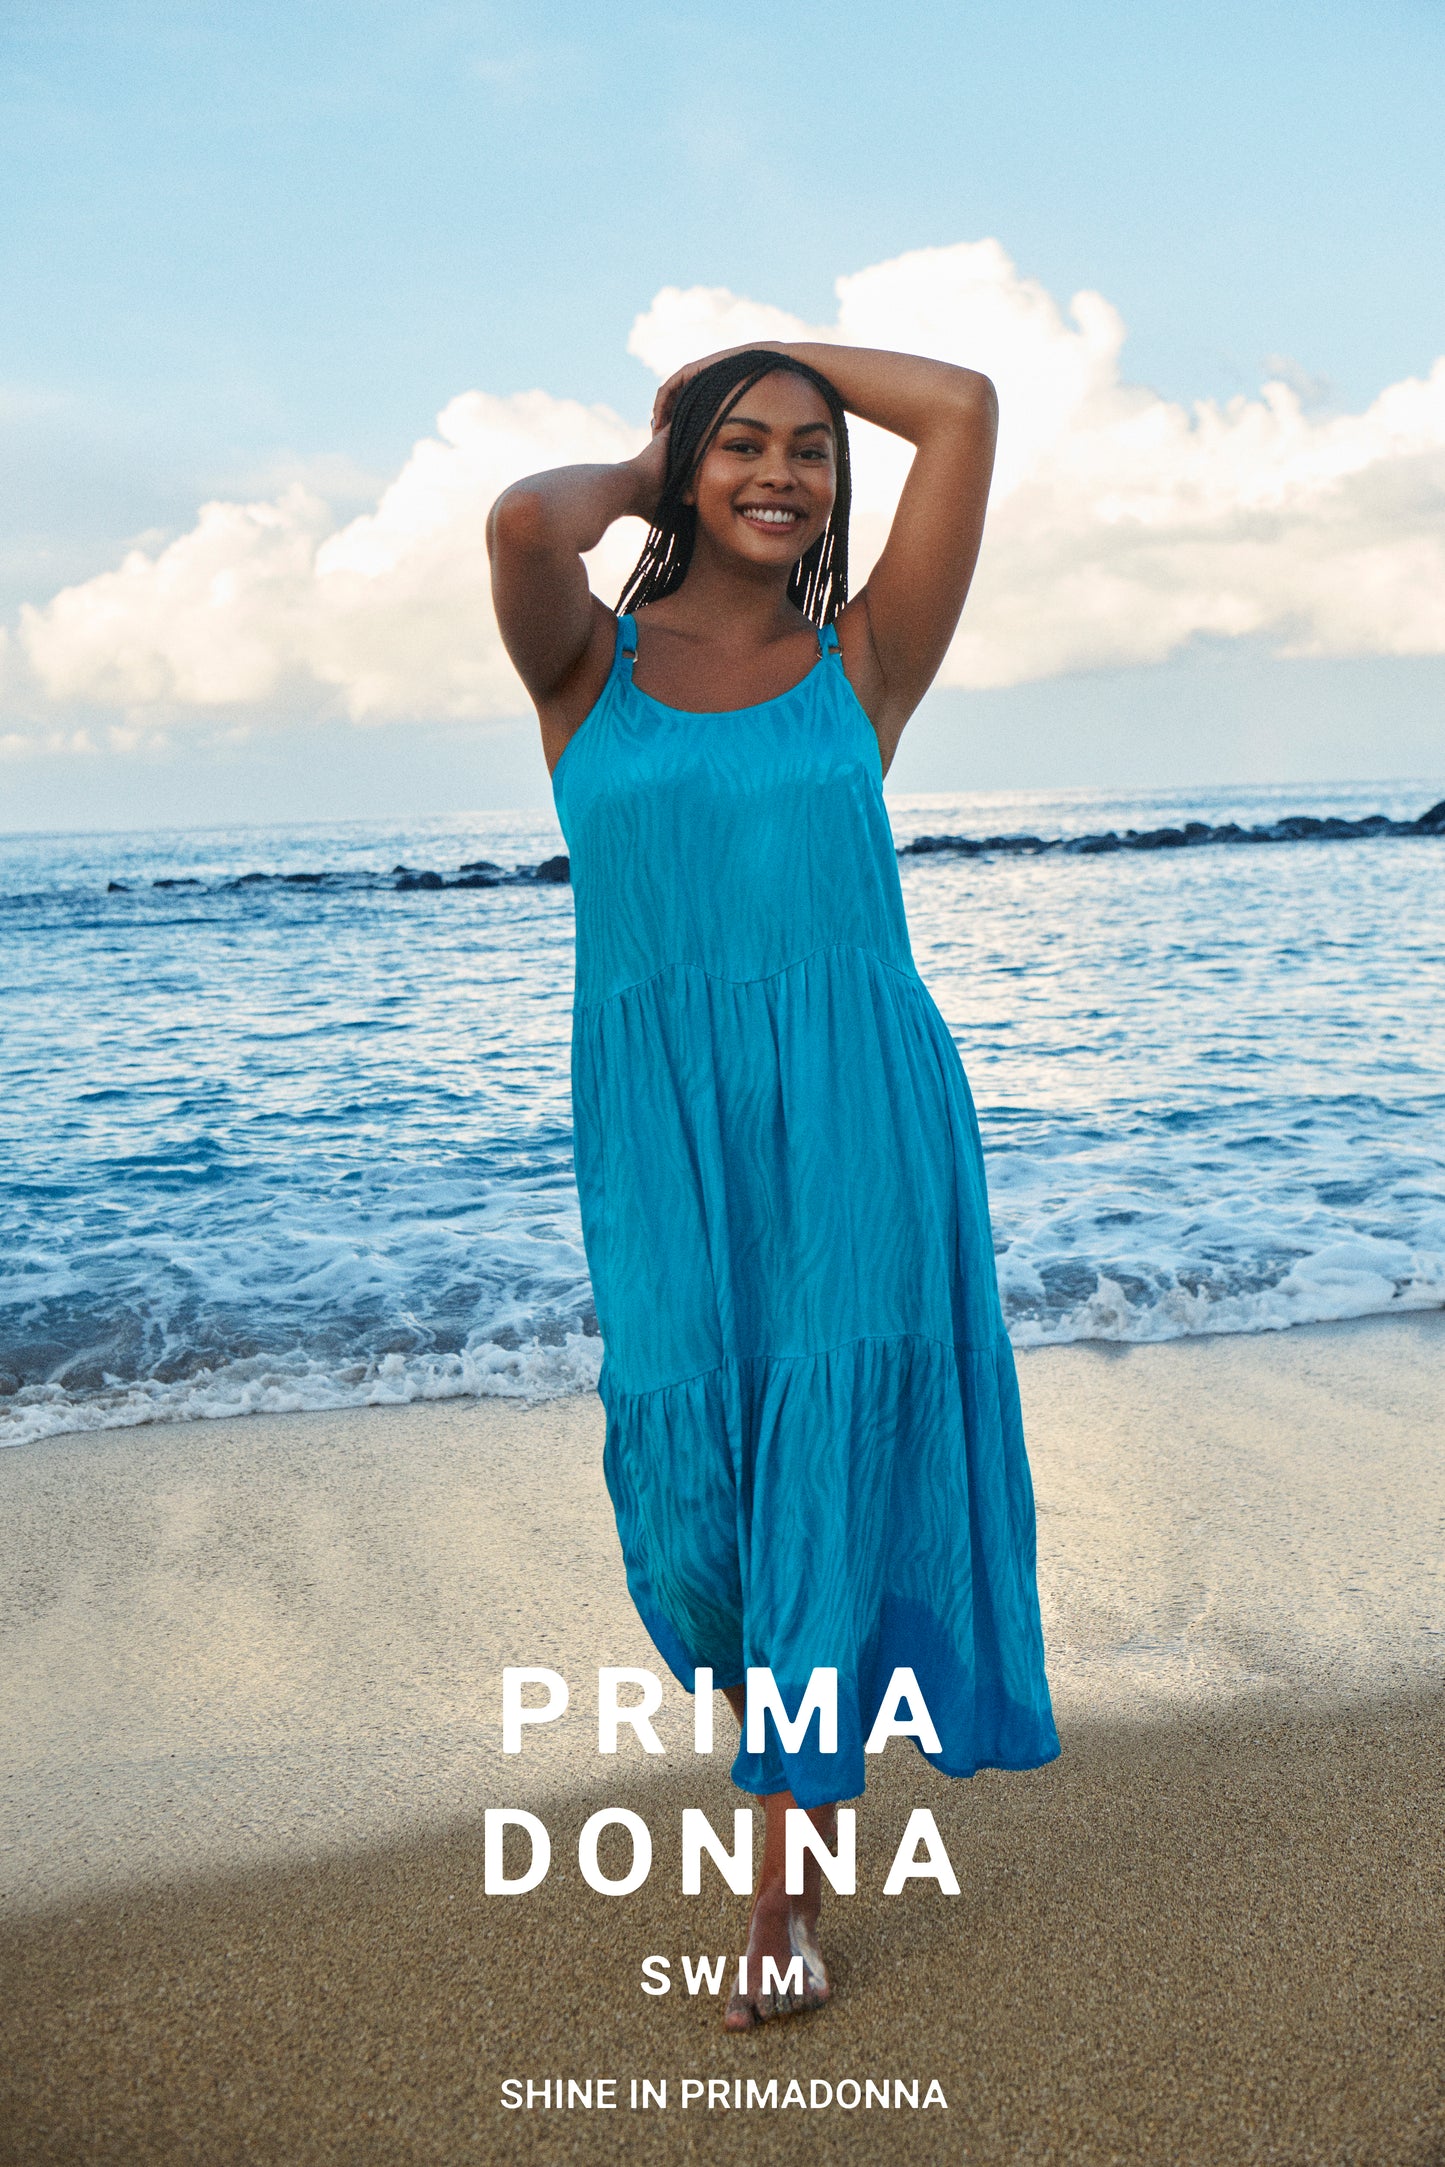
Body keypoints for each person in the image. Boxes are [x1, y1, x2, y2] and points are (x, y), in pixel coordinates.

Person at [486, 340, 1059, 2029]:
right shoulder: (583, 667)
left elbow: (959, 407)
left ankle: (781, 1903)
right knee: (694, 1517)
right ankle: (791, 1767)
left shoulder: (863, 659)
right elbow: (524, 524)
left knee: (823, 1465)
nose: (782, 474)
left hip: (859, 1113)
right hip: (665, 1131)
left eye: (808, 449)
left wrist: (784, 348)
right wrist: (656, 450)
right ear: (684, 467)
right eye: (743, 446)